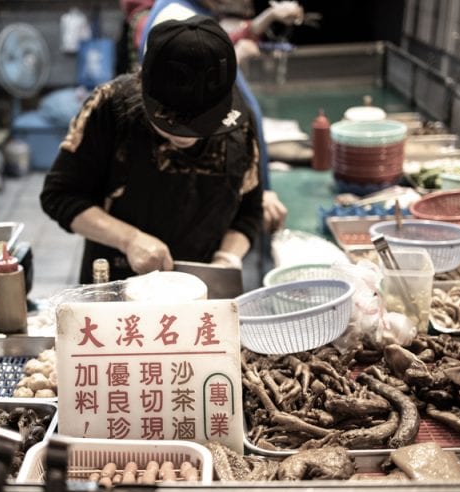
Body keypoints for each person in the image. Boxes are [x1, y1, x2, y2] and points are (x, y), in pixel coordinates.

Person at [41, 15, 263, 283]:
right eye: (175, 123)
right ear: (146, 92)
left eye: (204, 123)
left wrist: (227, 258)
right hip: (118, 284)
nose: (188, 137)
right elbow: (60, 196)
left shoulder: (237, 122)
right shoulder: (112, 107)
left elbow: (249, 212)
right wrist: (129, 239)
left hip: (199, 289)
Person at [138, 0, 302, 234]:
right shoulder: (176, 16)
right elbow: (187, 95)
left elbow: (217, 42)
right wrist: (235, 58)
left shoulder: (195, 13)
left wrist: (268, 17)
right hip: (190, 192)